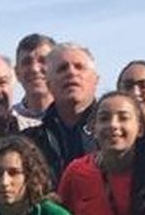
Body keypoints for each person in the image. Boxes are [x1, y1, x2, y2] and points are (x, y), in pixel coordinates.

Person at [25, 42, 97, 183]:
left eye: (79, 67)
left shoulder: (115, 132)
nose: (71, 73)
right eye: (62, 68)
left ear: (96, 80)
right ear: (49, 85)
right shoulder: (30, 142)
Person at [13, 33, 56, 119]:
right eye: (27, 62)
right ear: (17, 73)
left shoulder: (74, 115)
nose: (34, 69)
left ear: (57, 67)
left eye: (43, 61)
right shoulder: (6, 121)